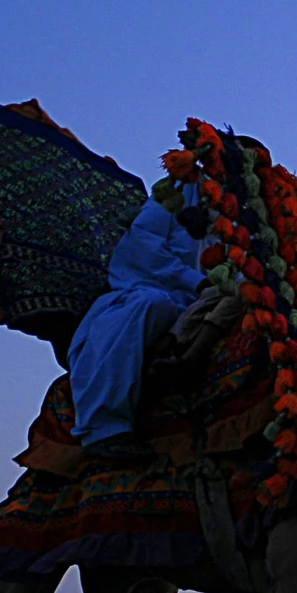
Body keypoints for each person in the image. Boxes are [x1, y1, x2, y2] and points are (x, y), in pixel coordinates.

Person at [64, 176, 210, 456]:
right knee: (151, 304)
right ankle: (103, 428)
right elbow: (145, 246)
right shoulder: (176, 194)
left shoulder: (244, 214)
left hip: (203, 305)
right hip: (146, 288)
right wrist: (195, 281)